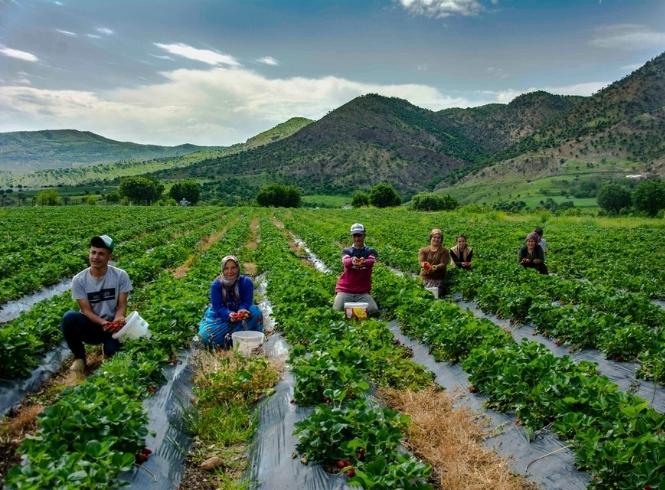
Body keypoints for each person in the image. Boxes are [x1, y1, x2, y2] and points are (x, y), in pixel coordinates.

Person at [61, 235, 132, 374]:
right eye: (93, 252)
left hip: (113, 328)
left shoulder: (120, 276)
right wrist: (102, 322)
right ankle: (80, 358)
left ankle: (108, 349)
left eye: (101, 253)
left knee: (114, 354)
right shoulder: (79, 279)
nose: (95, 257)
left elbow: (122, 305)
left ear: (109, 256)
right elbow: (86, 310)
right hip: (91, 326)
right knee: (69, 318)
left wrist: (118, 318)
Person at [198, 255, 263, 349]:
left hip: (239, 313)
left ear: (238, 268)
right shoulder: (216, 285)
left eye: (233, 268)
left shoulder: (246, 282)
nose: (230, 271)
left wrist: (242, 310)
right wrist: (229, 315)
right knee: (205, 336)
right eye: (226, 268)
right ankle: (230, 340)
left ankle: (248, 340)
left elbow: (247, 301)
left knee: (256, 312)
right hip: (220, 316)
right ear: (222, 270)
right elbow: (218, 307)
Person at [333, 223, 379, 315]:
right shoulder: (347, 251)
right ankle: (356, 309)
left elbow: (371, 262)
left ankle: (350, 310)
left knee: (373, 310)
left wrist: (363, 262)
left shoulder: (370, 251)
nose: (357, 238)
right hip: (345, 290)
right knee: (336, 310)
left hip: (362, 292)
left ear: (364, 236)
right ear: (352, 237)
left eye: (359, 235)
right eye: (355, 236)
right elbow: (346, 261)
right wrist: (353, 260)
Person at [419, 228, 450, 297]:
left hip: (438, 278)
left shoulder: (444, 251)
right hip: (425, 277)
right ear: (430, 238)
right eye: (434, 237)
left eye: (439, 238)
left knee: (435, 294)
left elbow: (443, 263)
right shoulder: (423, 250)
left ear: (441, 240)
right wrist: (426, 266)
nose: (436, 239)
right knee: (422, 293)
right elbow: (422, 262)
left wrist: (436, 267)